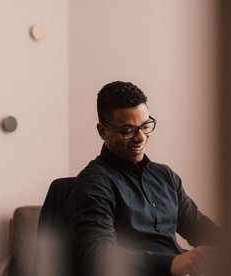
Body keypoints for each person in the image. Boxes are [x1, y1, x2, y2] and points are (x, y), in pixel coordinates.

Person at [63, 81, 220, 276]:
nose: (141, 138)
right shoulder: (92, 185)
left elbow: (199, 227)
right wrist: (172, 263)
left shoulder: (165, 176)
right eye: (127, 130)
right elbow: (99, 256)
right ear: (102, 131)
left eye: (145, 126)